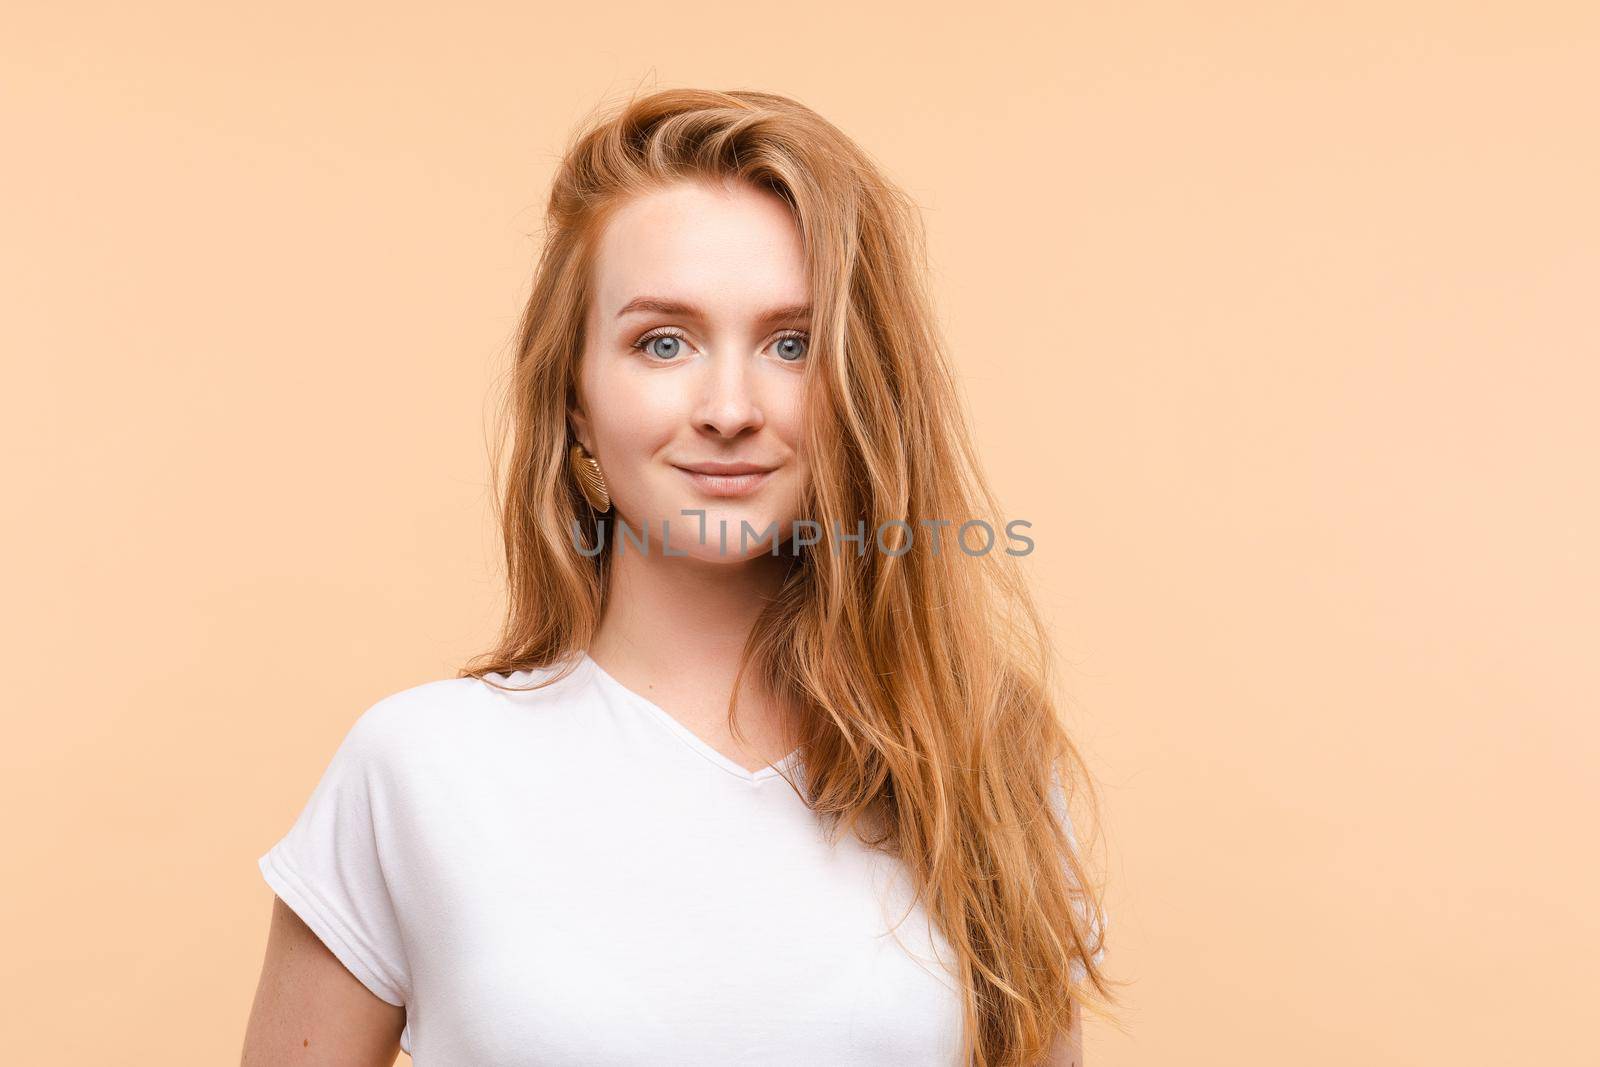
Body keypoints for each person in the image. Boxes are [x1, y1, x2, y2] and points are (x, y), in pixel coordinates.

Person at [241, 87, 1113, 1067]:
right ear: (572, 399)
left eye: (792, 342)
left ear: (862, 388)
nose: (729, 406)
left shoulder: (984, 760)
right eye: (663, 341)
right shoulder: (417, 767)